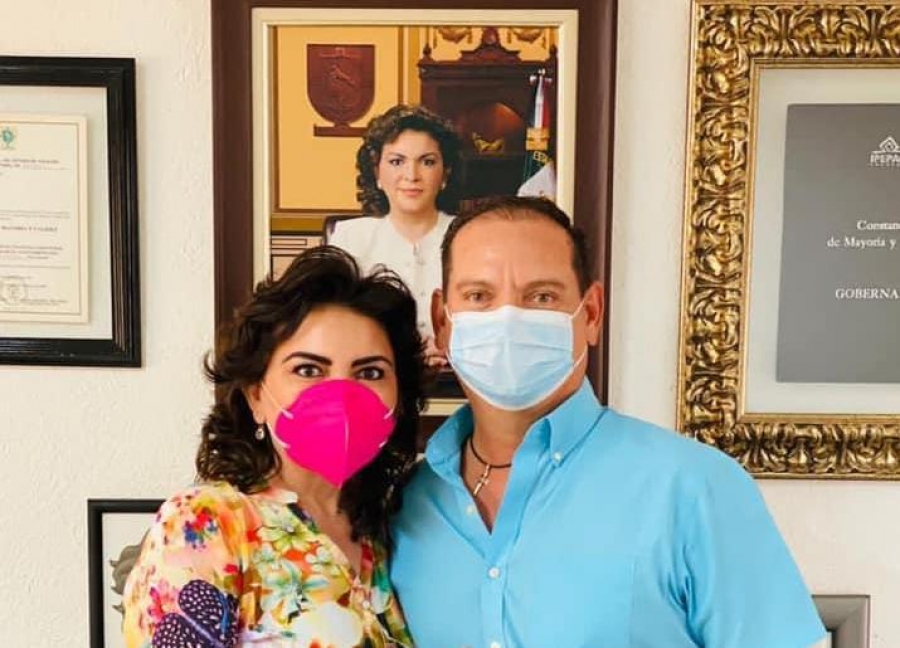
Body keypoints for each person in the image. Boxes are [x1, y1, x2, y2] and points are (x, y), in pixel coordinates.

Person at [390, 196, 826, 648]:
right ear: (442, 320)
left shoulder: (694, 487)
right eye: (479, 296)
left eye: (541, 296)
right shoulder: (405, 506)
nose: (508, 319)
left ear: (592, 314)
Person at [123, 246, 422, 648]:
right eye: (308, 369)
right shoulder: (208, 523)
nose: (341, 393)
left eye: (370, 372)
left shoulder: (390, 529)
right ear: (255, 396)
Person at [328, 104, 462, 366]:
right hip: (372, 372)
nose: (411, 175)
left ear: (445, 174)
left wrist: (452, 348)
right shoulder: (349, 238)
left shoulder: (469, 235)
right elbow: (333, 322)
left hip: (455, 375)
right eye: (397, 161)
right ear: (377, 172)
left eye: (427, 162)